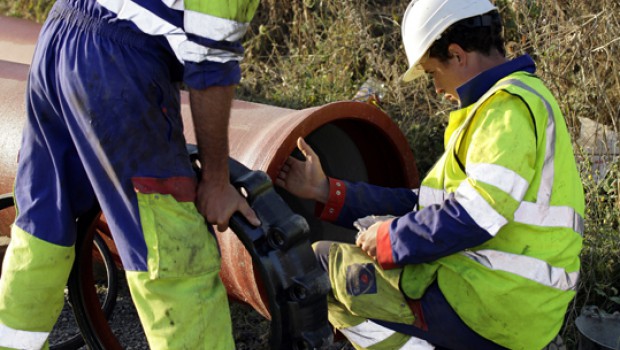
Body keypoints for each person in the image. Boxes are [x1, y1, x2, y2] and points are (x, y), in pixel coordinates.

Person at [276, 0, 584, 348]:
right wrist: (326, 191)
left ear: (457, 54)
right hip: (510, 301)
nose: (436, 88)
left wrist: (390, 239)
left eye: (433, 72)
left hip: (493, 305)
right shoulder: (510, 104)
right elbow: (426, 206)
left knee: (320, 265)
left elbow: (472, 216)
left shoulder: (505, 112)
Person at [0, 0, 261, 348]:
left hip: (60, 38)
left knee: (43, 222)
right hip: (117, 69)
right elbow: (210, 64)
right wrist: (216, 181)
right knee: (171, 253)